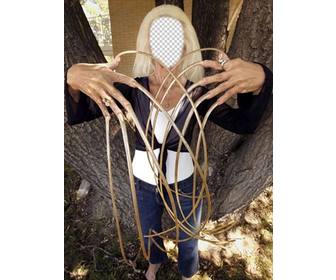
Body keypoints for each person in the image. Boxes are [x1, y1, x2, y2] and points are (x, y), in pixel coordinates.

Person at [65, 4, 273, 280]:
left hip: (185, 179)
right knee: (149, 227)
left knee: (189, 232)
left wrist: (261, 79)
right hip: (143, 179)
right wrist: (73, 79)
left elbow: (243, 123)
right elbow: (83, 113)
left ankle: (188, 269)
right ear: (147, 43)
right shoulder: (132, 88)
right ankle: (155, 261)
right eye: (158, 36)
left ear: (187, 44)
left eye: (174, 36)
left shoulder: (197, 92)